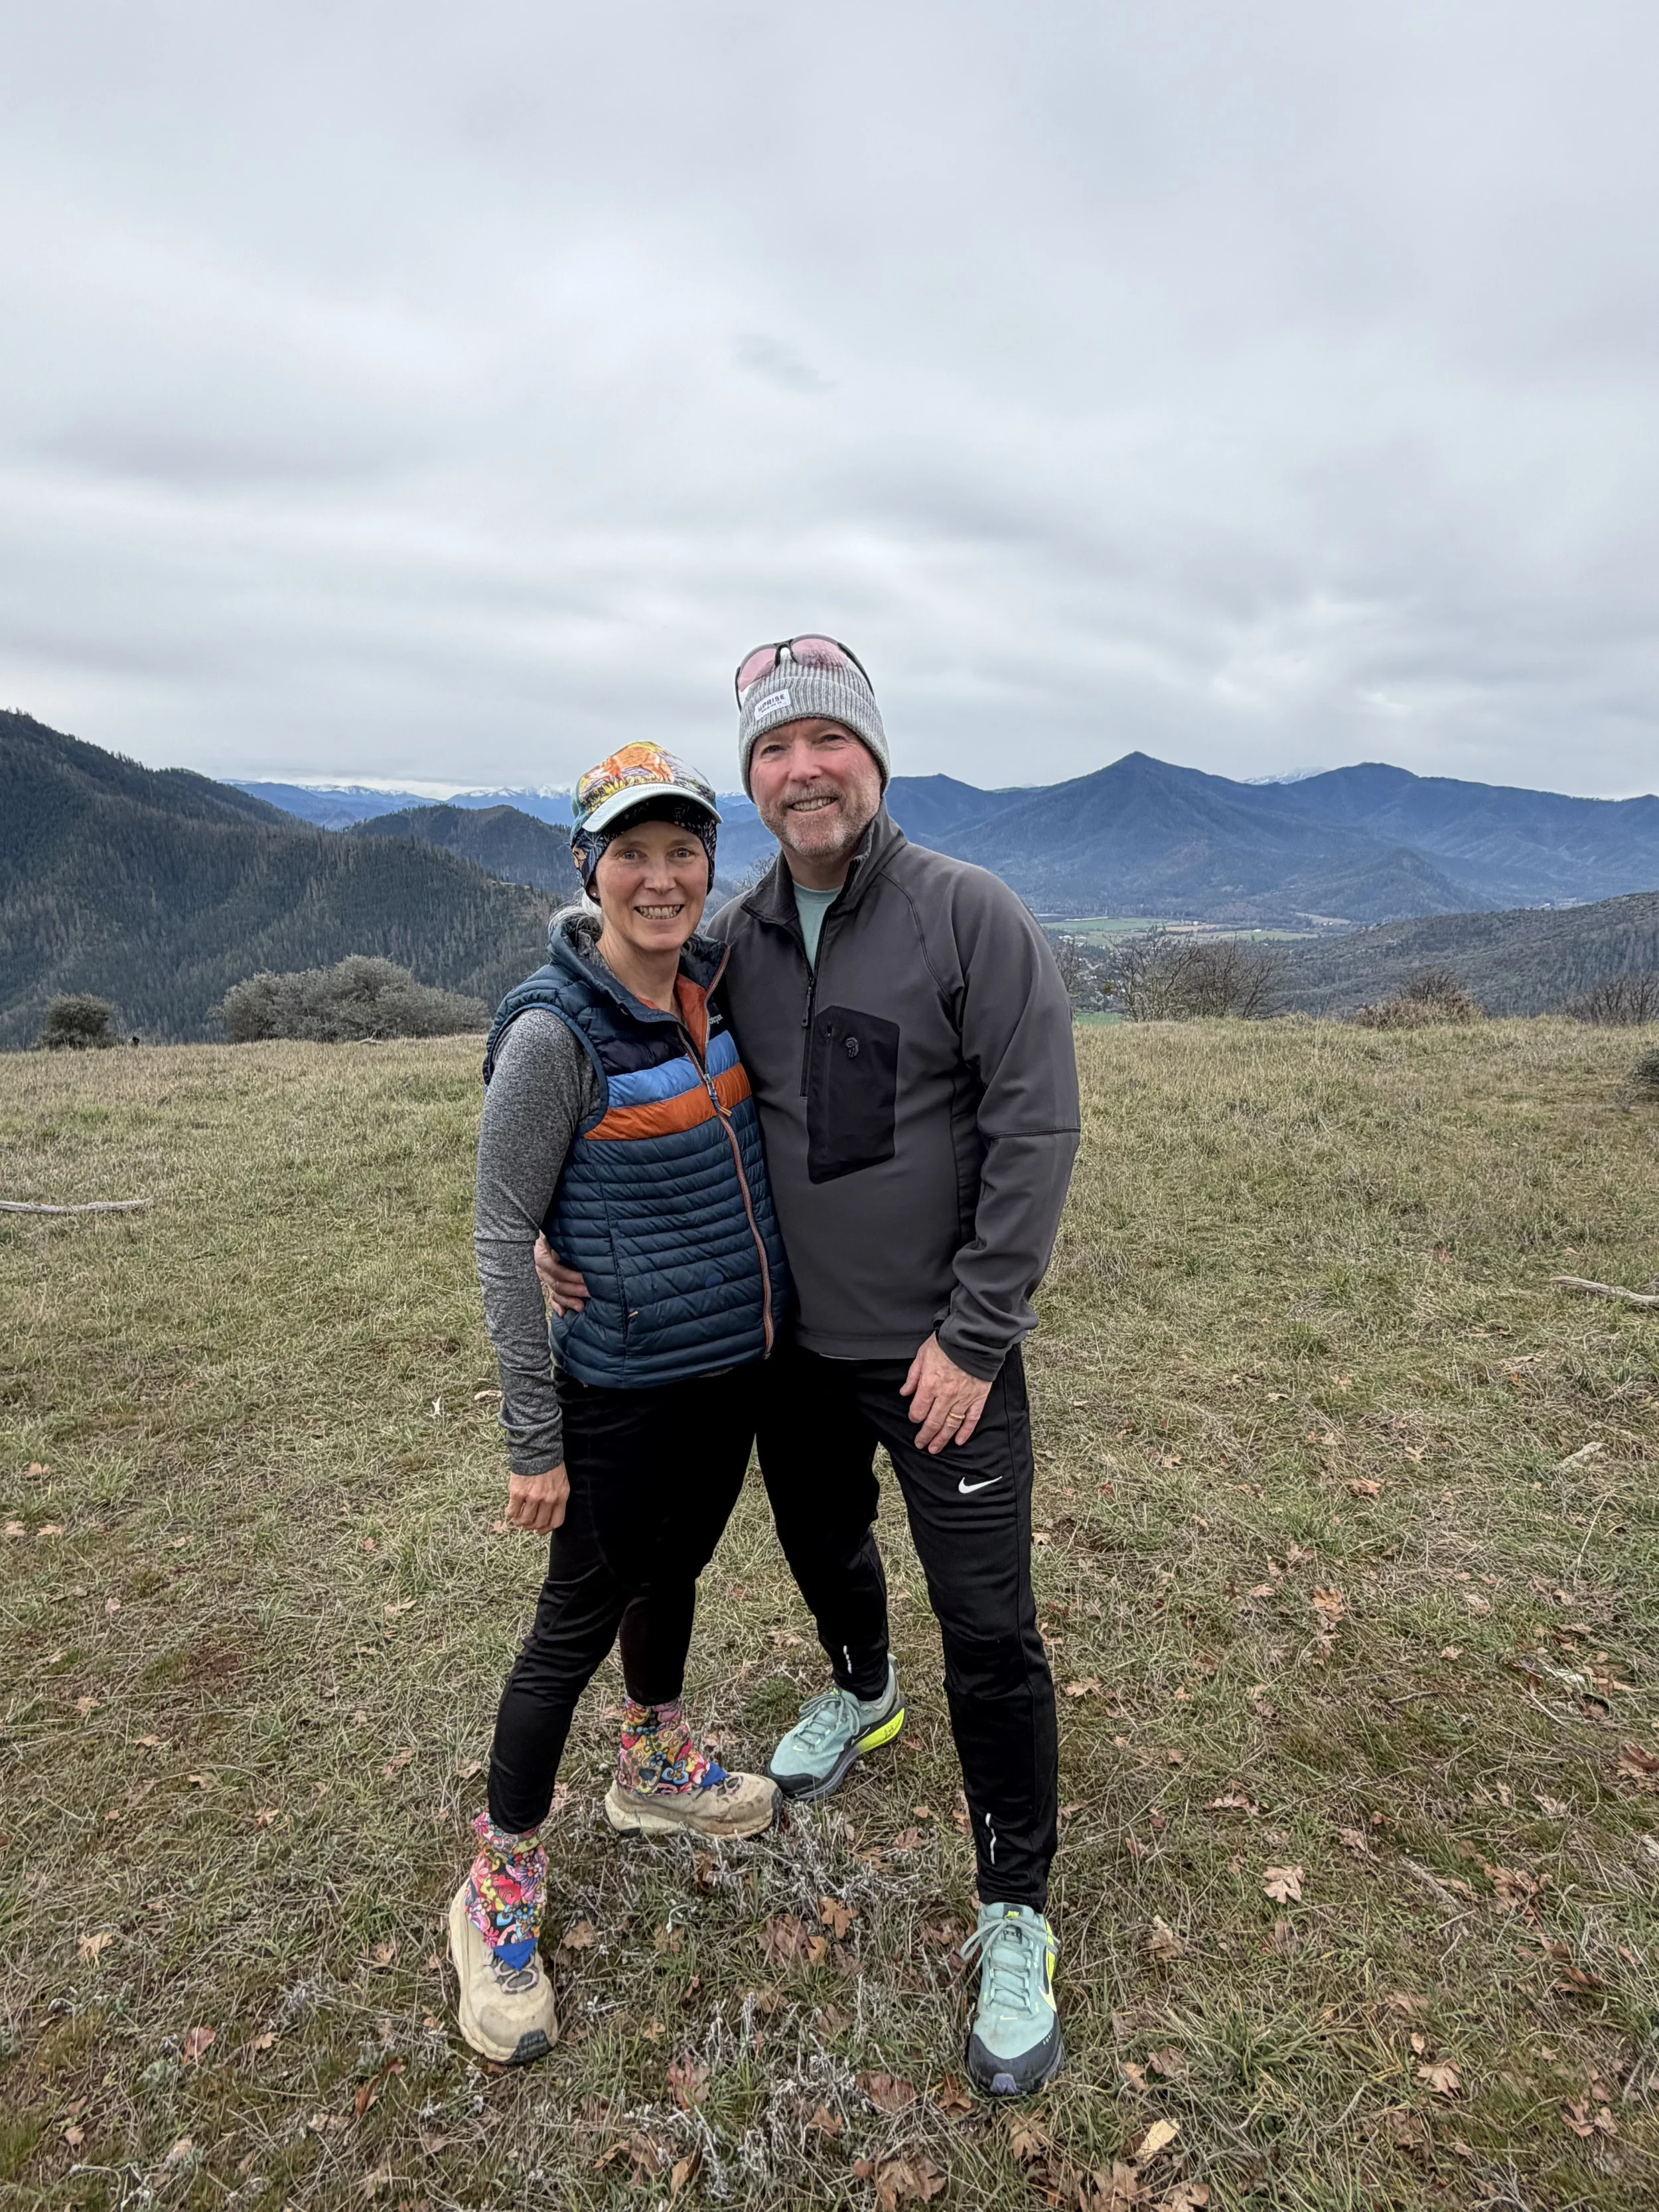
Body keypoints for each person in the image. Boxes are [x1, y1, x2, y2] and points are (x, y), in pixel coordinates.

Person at [541, 640, 1080, 2097]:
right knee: (821, 1540)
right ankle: (859, 1684)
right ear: (753, 780)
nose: (802, 769)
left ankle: (1012, 1908)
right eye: (774, 751)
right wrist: (536, 1209)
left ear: (873, 759)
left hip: (941, 1360)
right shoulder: (740, 935)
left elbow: (1034, 1133)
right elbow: (597, 990)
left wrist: (974, 1337)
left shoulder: (969, 916)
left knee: (992, 1630)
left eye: (826, 740)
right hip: (789, 1350)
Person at [449, 741, 788, 2069]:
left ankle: (655, 1764)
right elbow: (497, 1230)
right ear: (587, 868)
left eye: (682, 851)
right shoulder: (553, 1030)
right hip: (616, 1394)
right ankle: (497, 1894)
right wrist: (533, 1439)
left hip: (724, 1378)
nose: (660, 877)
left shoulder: (712, 987)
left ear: (710, 868)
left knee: (679, 1569)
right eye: (631, 852)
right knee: (569, 1626)